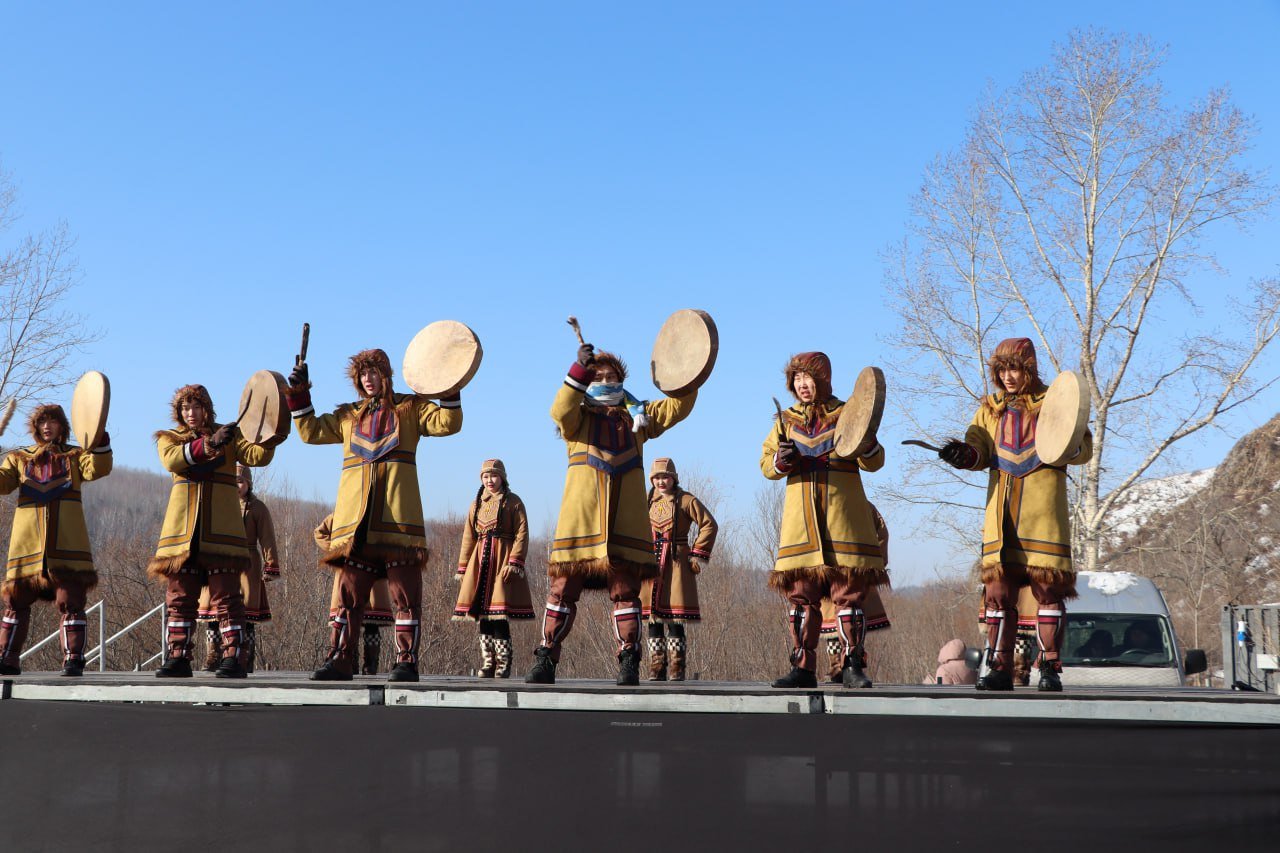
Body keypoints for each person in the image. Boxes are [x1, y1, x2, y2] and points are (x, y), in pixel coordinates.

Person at [527, 342, 697, 686]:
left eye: (612, 376)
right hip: (581, 525)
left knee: (625, 594)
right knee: (561, 592)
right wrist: (577, 371)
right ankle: (546, 657)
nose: (606, 380)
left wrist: (688, 368)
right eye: (598, 375)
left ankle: (629, 661)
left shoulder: (640, 419)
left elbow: (678, 406)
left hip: (626, 527)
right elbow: (559, 411)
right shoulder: (577, 419)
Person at [287, 348, 462, 682]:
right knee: (348, 597)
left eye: (374, 372)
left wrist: (449, 385)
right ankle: (340, 659)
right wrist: (300, 392)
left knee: (404, 597)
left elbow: (448, 422)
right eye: (362, 374)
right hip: (357, 527)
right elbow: (309, 431)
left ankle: (406, 662)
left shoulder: (411, 408)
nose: (368, 379)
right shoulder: (347, 416)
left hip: (399, 522)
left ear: (386, 374)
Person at [939, 337, 1093, 692]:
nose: (1008, 376)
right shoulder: (989, 408)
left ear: (1029, 368)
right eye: (1002, 369)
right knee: (997, 594)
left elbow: (1082, 447)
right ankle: (998, 668)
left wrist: (1069, 445)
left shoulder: (1055, 401)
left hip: (1043, 515)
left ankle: (1050, 669)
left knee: (1048, 593)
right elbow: (977, 450)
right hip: (1001, 517)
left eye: (1015, 368)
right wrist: (963, 455)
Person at [761, 352, 889, 689]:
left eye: (808, 377)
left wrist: (867, 442)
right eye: (797, 379)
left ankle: (852, 667)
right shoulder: (784, 421)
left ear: (824, 379)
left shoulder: (849, 413)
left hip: (844, 521)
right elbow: (765, 466)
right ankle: (803, 668)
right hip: (800, 526)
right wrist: (781, 459)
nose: (803, 385)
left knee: (849, 598)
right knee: (801, 599)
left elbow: (876, 462)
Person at [149, 385, 274, 678]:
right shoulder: (169, 439)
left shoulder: (231, 435)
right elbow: (173, 460)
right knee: (179, 598)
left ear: (207, 408)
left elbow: (258, 456)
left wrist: (271, 429)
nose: (190, 414)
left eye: (196, 407)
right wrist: (210, 444)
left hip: (222, 535)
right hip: (182, 537)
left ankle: (234, 657)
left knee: (227, 597)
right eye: (185, 408)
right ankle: (178, 656)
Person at [0, 405, 112, 676]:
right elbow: (2, 485)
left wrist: (100, 441)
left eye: (52, 421)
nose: (47, 426)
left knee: (71, 601)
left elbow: (98, 468)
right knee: (16, 603)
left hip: (68, 545)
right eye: (42, 422)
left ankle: (73, 658)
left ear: (63, 426)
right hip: (27, 546)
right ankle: (7, 658)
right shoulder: (18, 458)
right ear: (35, 427)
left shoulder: (75, 456)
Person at [454, 458, 533, 678]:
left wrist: (514, 561)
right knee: (482, 616)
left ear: (503, 477)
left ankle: (503, 664)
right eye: (486, 476)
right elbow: (468, 537)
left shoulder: (513, 502)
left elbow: (522, 533)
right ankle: (488, 662)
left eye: (494, 476)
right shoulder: (476, 503)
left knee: (499, 616)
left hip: (502, 562)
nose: (490, 480)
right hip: (480, 563)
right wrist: (463, 568)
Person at [642, 458, 717, 682]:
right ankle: (656, 668)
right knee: (652, 619)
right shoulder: (646, 500)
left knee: (675, 618)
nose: (661, 481)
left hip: (675, 563)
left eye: (665, 476)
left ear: (673, 478)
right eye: (656, 477)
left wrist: (696, 553)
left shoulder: (685, 499)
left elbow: (709, 524)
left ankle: (677, 668)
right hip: (650, 563)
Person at [199, 464, 279, 672]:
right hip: (220, 560)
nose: (237, 485)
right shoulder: (218, 503)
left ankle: (245, 656)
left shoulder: (257, 508)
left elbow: (268, 538)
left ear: (248, 484)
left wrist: (271, 565)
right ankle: (213, 655)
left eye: (241, 481)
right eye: (233, 480)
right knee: (215, 612)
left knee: (247, 614)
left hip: (247, 564)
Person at [315, 514, 393, 675]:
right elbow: (319, 532)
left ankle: (370, 667)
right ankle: (349, 663)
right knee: (348, 618)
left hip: (373, 570)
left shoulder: (378, 510)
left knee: (372, 623)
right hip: (348, 570)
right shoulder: (341, 511)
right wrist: (338, 549)